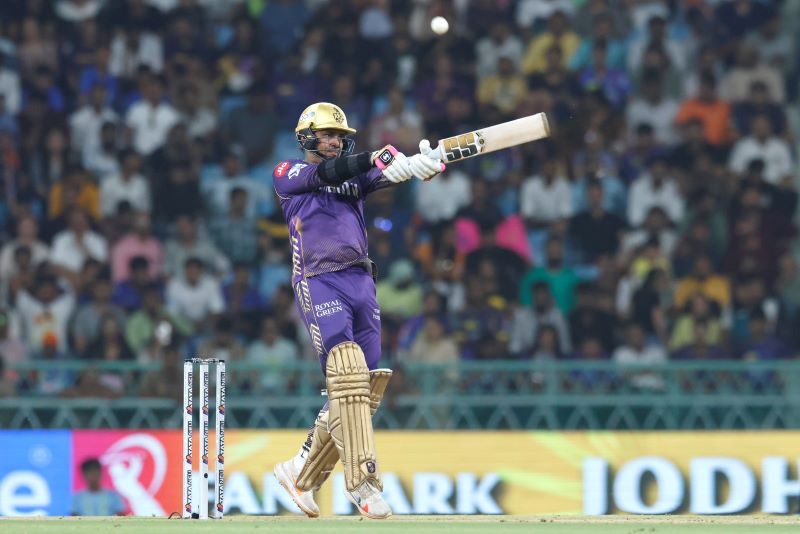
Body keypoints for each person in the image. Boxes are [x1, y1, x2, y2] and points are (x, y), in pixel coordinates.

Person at [271, 102, 443, 519]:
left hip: (362, 281)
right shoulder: (288, 173)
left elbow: (389, 172)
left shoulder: (353, 177)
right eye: (328, 134)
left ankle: (300, 470)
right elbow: (333, 172)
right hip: (319, 279)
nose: (335, 141)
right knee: (346, 372)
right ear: (306, 137)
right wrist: (374, 157)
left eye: (340, 136)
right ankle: (363, 483)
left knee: (364, 387)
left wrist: (420, 165)